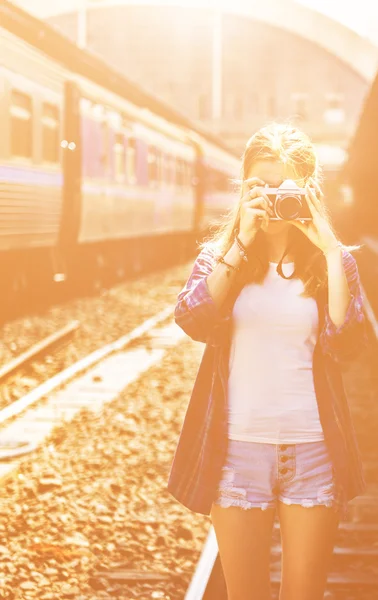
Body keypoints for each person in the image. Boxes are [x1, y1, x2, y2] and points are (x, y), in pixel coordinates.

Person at [167, 123, 368, 600]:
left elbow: (346, 344)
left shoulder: (331, 264)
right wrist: (241, 240)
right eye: (261, 186)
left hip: (313, 451)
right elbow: (193, 320)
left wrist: (329, 245)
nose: (273, 199)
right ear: (243, 187)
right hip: (237, 452)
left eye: (285, 188)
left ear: (309, 190)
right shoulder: (221, 259)